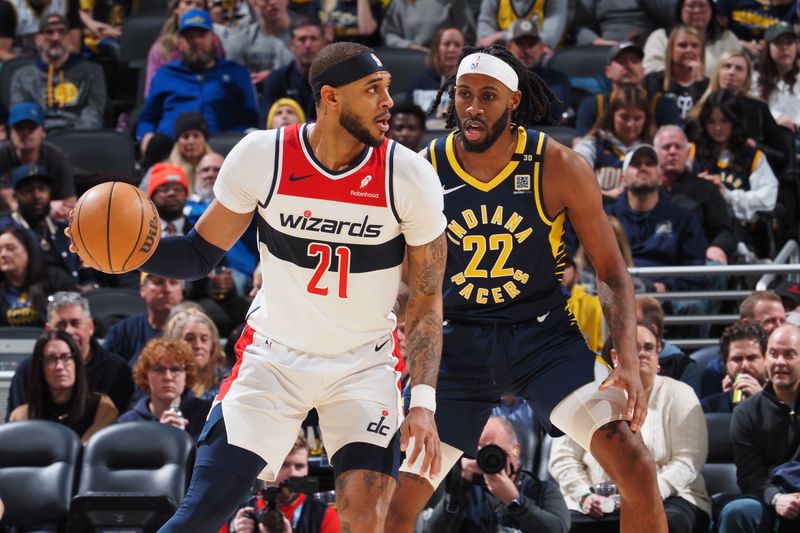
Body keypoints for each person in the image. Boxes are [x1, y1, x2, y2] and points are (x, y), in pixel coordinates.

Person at [74, 41, 448, 532]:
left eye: (387, 89)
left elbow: (424, 299)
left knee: (365, 516)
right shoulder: (262, 156)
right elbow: (196, 254)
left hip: (364, 364)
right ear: (330, 98)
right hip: (273, 360)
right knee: (204, 509)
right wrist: (123, 250)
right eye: (372, 90)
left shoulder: (409, 175)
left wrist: (422, 403)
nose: (387, 103)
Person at [383, 44, 668, 533]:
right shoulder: (423, 168)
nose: (473, 107)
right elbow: (405, 282)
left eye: (488, 96)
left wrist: (626, 362)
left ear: (514, 101)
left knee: (636, 466)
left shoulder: (558, 165)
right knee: (397, 500)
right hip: (458, 343)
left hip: (543, 340)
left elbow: (612, 271)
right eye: (464, 94)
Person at [549, 323, 711, 533]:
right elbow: (563, 458)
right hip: (596, 501)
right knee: (560, 527)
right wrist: (583, 496)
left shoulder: (681, 393)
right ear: (616, 356)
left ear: (658, 354)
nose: (642, 354)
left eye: (649, 348)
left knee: (666, 523)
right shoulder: (591, 394)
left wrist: (644, 494)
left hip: (671, 496)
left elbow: (689, 459)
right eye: (634, 348)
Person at [137, 10, 259, 155]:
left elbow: (251, 121)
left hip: (223, 152)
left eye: (201, 35)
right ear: (180, 42)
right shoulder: (164, 74)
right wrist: (146, 137)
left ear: (214, 38)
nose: (196, 41)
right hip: (172, 152)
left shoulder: (237, 73)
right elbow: (147, 119)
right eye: (189, 37)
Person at [717, 324, 800, 533]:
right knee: (737, 511)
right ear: (765, 358)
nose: (780, 362)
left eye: (789, 354)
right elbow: (750, 476)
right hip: (773, 498)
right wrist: (776, 498)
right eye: (774, 354)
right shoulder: (746, 413)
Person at [425, 416, 569, 532]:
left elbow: (559, 529)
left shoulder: (541, 490)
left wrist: (515, 502)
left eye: (494, 451)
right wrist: (458, 488)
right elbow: (432, 530)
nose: (488, 459)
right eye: (480, 452)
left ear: (515, 451)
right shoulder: (467, 492)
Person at [5, 291, 134, 420]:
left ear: (90, 327)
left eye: (75, 323)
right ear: (48, 330)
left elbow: (122, 429)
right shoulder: (29, 370)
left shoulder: (116, 369)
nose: (68, 331)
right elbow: (17, 429)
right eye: (60, 325)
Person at [689, 90, 779, 254]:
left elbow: (769, 198)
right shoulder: (693, 152)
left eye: (724, 121)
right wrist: (698, 186)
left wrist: (728, 195)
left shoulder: (753, 157)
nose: (717, 127)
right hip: (701, 231)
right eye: (711, 121)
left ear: (735, 121)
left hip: (744, 233)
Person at [9, 330, 118, 444]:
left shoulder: (102, 408)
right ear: (41, 368)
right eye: (51, 359)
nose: (60, 366)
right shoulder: (22, 416)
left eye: (66, 357)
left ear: (76, 364)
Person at [654, 125, 736, 266]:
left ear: (687, 153)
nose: (672, 152)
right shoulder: (644, 190)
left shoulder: (707, 188)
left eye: (678, 147)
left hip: (698, 261)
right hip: (655, 260)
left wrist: (717, 247)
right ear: (655, 154)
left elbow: (724, 231)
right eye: (666, 147)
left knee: (715, 266)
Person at [10, 13, 107, 132]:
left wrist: (76, 140)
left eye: (62, 32)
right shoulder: (21, 76)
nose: (56, 38)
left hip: (80, 140)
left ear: (70, 38)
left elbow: (93, 115)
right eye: (49, 32)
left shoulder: (92, 72)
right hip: (37, 142)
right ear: (37, 39)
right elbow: (22, 117)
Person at [0, 164, 93, 287]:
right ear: (16, 196)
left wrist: (91, 286)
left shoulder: (64, 230)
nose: (37, 195)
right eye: (29, 190)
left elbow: (86, 271)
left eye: (42, 189)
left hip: (74, 299)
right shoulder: (5, 231)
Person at [573, 41, 681, 142]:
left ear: (643, 71)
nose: (629, 65)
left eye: (634, 61)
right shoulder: (592, 105)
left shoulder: (665, 105)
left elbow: (675, 145)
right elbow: (579, 145)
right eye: (621, 61)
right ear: (608, 72)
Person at [231, 435, 341, 533]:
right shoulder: (239, 514)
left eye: (299, 466)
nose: (293, 473)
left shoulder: (324, 516)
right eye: (284, 465)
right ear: (266, 469)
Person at [117, 337, 212, 440]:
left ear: (187, 375)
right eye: (159, 370)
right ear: (145, 375)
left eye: (175, 369)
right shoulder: (128, 424)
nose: (168, 377)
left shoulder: (207, 415)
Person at [574, 85, 655, 203]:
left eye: (637, 118)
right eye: (624, 117)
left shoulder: (653, 148)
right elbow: (575, 182)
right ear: (612, 115)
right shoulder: (591, 144)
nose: (630, 124)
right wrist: (605, 195)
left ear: (646, 120)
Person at [0, 102, 75, 220]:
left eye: (32, 127)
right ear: (10, 132)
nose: (25, 133)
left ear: (43, 132)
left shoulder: (57, 158)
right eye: (20, 128)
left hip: (51, 221)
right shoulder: (2, 156)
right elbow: (10, 202)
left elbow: (69, 205)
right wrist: (49, 208)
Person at [144, 0, 225, 97]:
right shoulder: (162, 48)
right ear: (176, 9)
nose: (193, 8)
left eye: (198, 5)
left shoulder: (214, 42)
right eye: (188, 3)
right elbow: (152, 93)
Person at [643, 0, 741, 79]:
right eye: (691, 5)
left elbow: (740, 70)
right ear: (680, 9)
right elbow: (650, 70)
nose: (697, 10)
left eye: (702, 5)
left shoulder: (727, 38)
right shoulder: (661, 37)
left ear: (711, 10)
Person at [0, 225, 75, 327]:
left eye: (10, 248)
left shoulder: (56, 279)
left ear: (28, 250)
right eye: (0, 250)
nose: (3, 254)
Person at [103, 273, 184, 365]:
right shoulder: (123, 332)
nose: (167, 289)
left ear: (181, 291)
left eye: (173, 283)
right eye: (159, 282)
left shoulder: (194, 332)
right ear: (142, 289)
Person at [504, 18, 571, 124]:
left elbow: (555, 109)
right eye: (520, 43)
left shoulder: (558, 79)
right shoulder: (499, 77)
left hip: (549, 134)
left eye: (531, 44)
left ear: (541, 47)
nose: (526, 50)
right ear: (508, 47)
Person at [261, 18, 326, 124]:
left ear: (324, 44)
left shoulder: (335, 79)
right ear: (291, 45)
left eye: (313, 39)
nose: (308, 45)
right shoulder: (277, 79)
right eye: (302, 39)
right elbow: (267, 122)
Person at [642, 26, 709, 120]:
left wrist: (699, 83)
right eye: (683, 45)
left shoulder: (709, 86)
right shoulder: (653, 81)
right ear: (671, 50)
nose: (689, 50)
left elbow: (704, 121)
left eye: (694, 46)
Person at [701, 322, 768, 413]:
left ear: (766, 360)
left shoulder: (784, 404)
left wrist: (764, 401)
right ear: (726, 364)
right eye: (737, 359)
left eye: (752, 358)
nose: (744, 365)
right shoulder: (708, 408)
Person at [405, 26, 465, 127]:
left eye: (457, 45)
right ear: (437, 49)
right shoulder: (418, 86)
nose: (451, 49)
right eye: (446, 44)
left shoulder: (470, 85)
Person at [223, 0, 293, 86]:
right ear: (254, 3)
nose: (272, 2)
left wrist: (274, 77)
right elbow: (233, 78)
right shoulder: (240, 40)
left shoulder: (308, 35)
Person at [164, 307, 228, 401]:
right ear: (175, 343)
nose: (198, 345)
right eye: (189, 339)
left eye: (204, 339)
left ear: (213, 345)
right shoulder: (166, 381)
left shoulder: (228, 382)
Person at [753, 22, 800, 133]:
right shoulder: (755, 78)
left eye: (789, 43)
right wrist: (776, 117)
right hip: (768, 136)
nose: (785, 48)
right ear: (768, 47)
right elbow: (753, 109)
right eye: (778, 43)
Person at [380, 0, 476, 52]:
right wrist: (411, 46)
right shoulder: (400, 3)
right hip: (411, 56)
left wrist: (450, 48)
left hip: (446, 59)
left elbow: (468, 34)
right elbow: (388, 34)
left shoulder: (453, 2)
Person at [476, 0, 566, 50]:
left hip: (541, 60)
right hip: (503, 55)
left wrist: (501, 35)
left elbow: (548, 41)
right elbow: (484, 41)